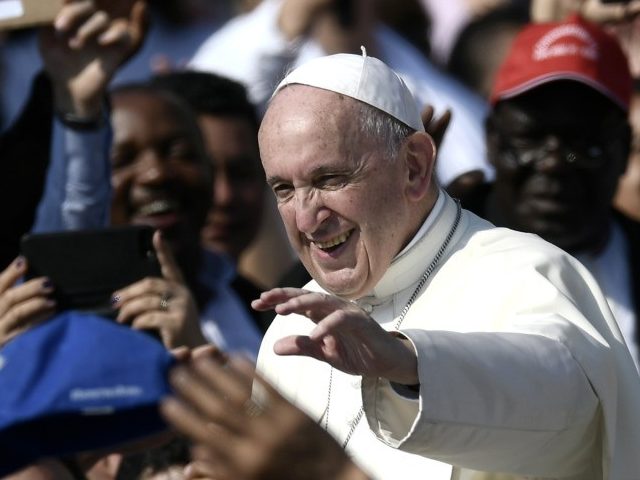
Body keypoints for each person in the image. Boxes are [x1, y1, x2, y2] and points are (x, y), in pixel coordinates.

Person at [241, 51, 640, 479]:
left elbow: (564, 398)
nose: (306, 219)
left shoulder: (528, 273)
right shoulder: (292, 328)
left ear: (414, 167)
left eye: (330, 179)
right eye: (284, 189)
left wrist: (410, 366)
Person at [460, 14, 640, 369]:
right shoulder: (430, 253)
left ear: (622, 149)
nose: (554, 163)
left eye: (583, 145)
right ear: (492, 140)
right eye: (530, 139)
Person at [189, 0, 493, 191]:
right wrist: (289, 20)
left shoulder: (406, 57)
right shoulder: (252, 42)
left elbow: (476, 155)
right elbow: (209, 109)